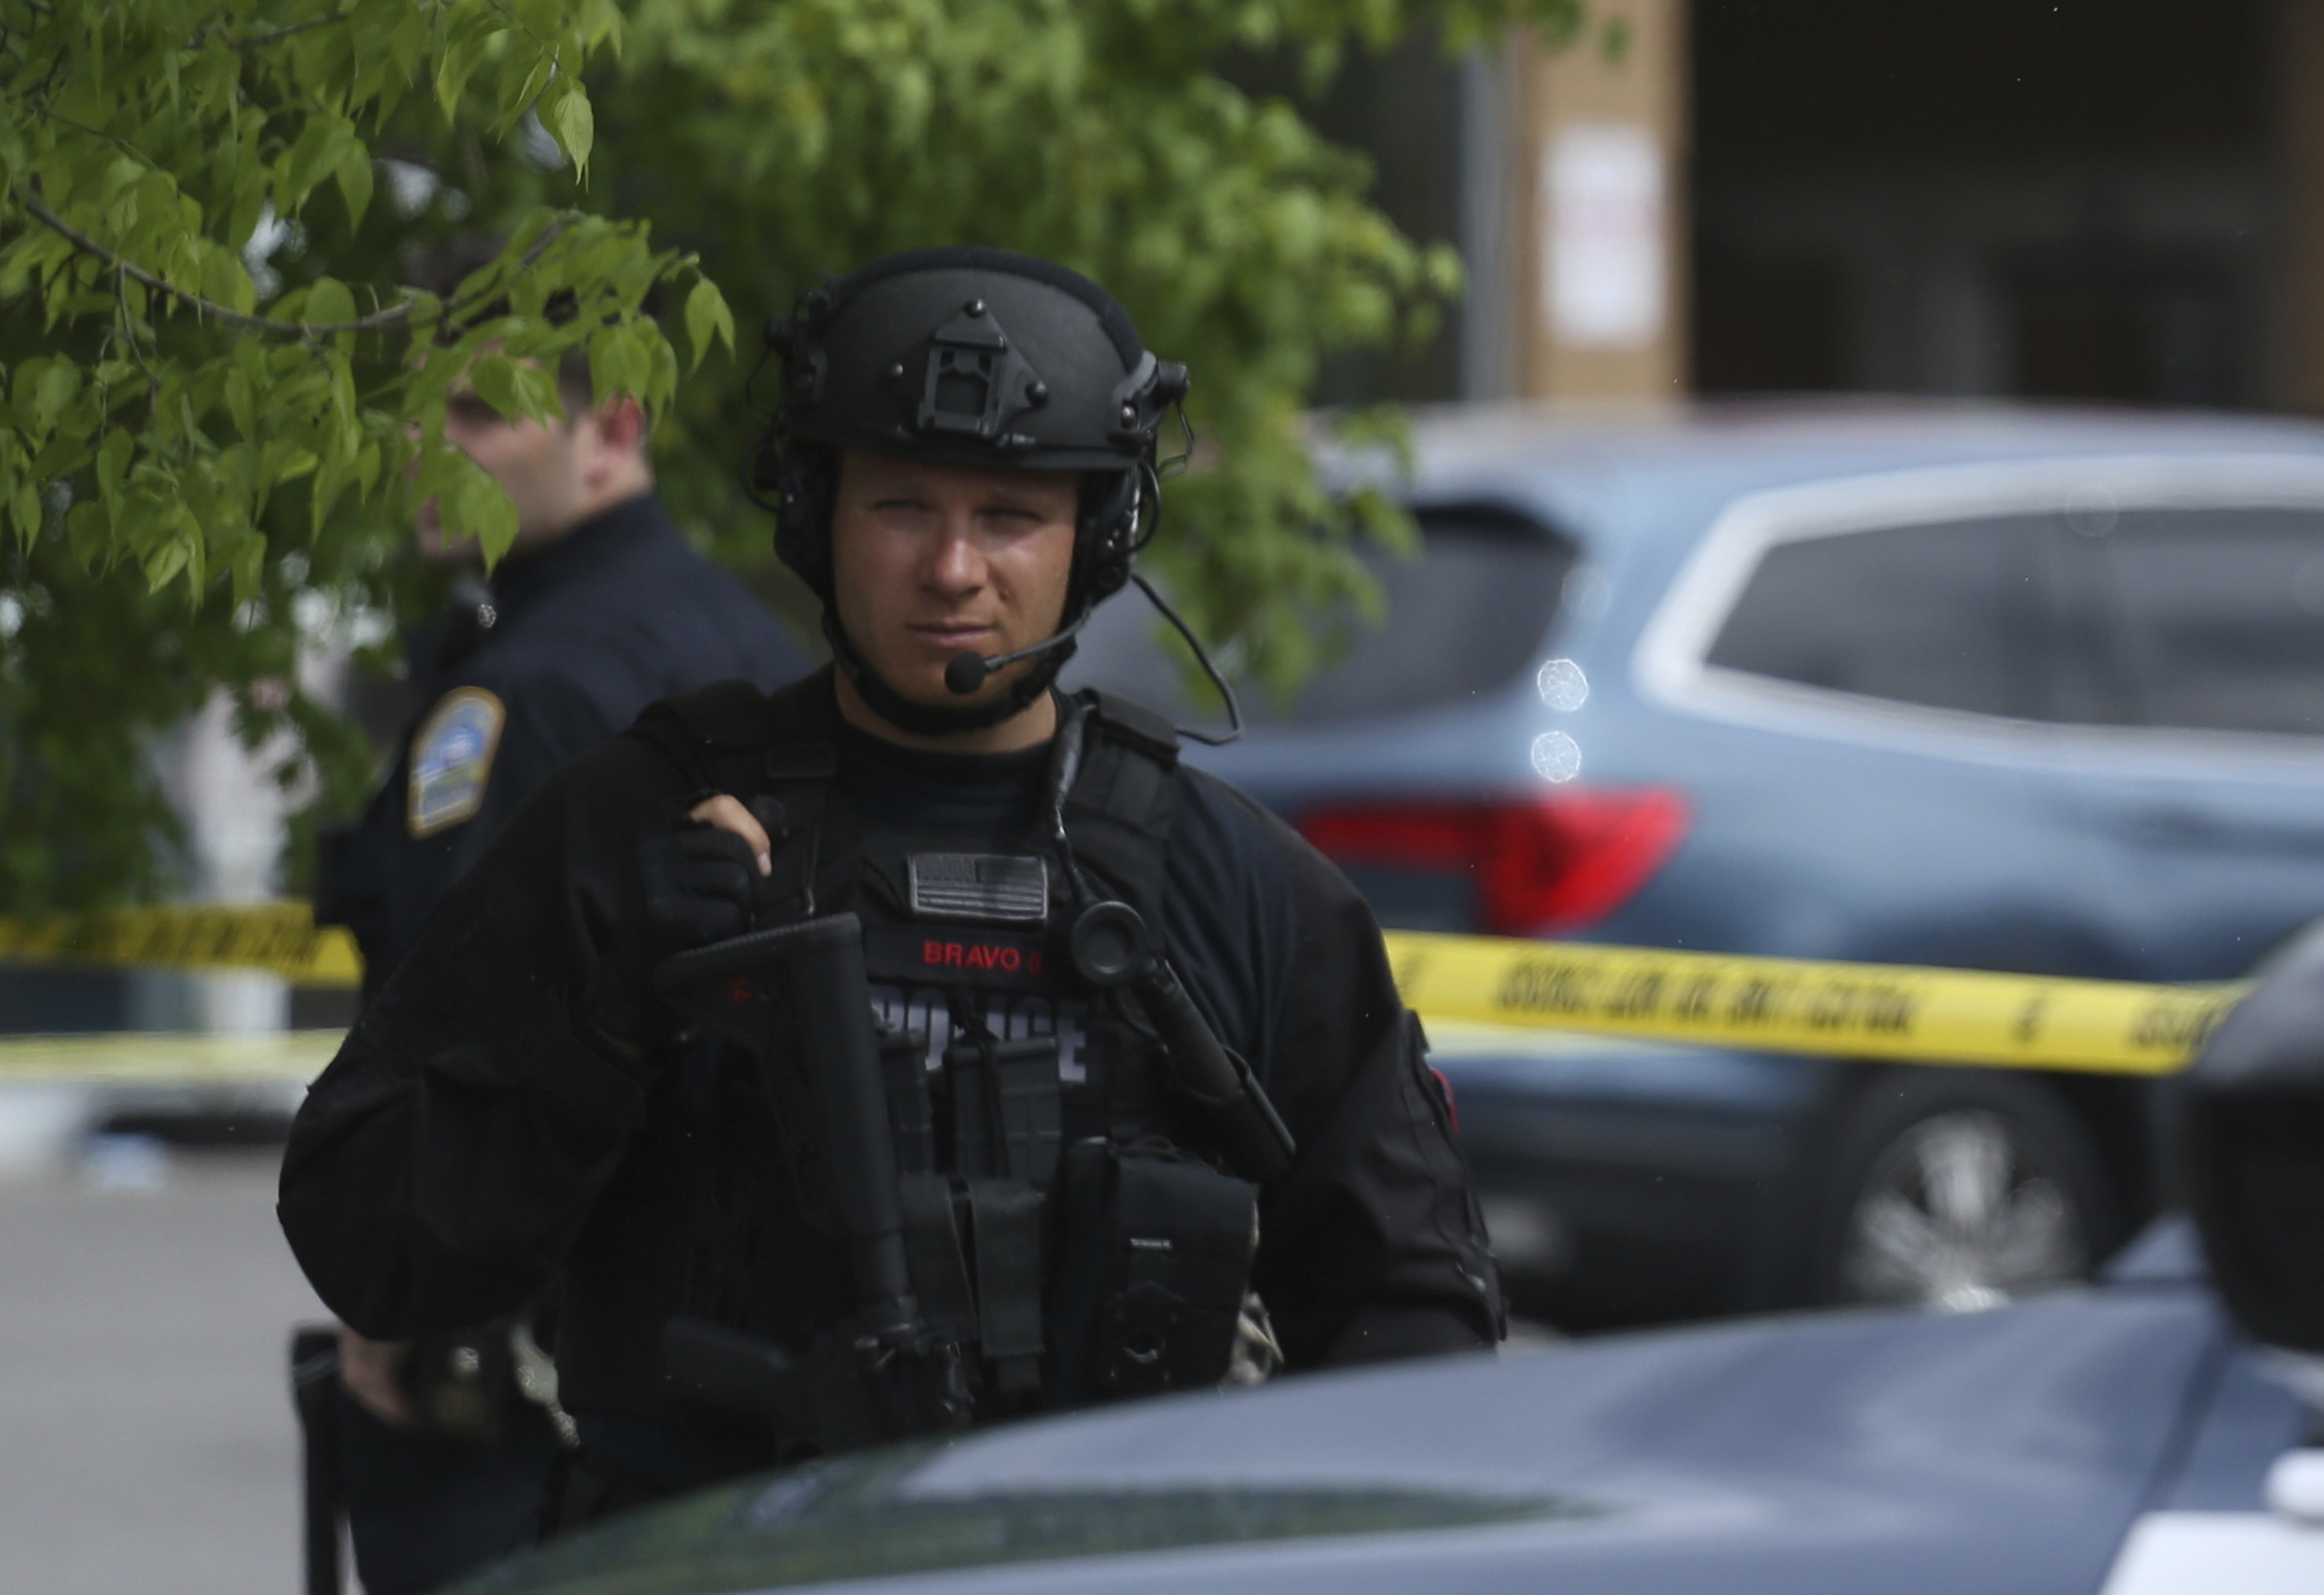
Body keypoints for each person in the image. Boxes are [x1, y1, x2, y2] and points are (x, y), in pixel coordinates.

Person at [281, 248, 1500, 1527]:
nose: (955, 569)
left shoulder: (1226, 883)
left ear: (1094, 537)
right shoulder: (635, 827)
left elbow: (1413, 1311)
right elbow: (371, 1242)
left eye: (1011, 514)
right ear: (818, 514)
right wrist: (594, 1014)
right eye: (903, 506)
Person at [302, 311, 802, 1594]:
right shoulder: (748, 647)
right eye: (409, 412)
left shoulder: (526, 687)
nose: (424, 449)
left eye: (473, 414)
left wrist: (404, 1321)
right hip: (733, 1337)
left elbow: (470, 1040)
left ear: (615, 430)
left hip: (529, 1363)